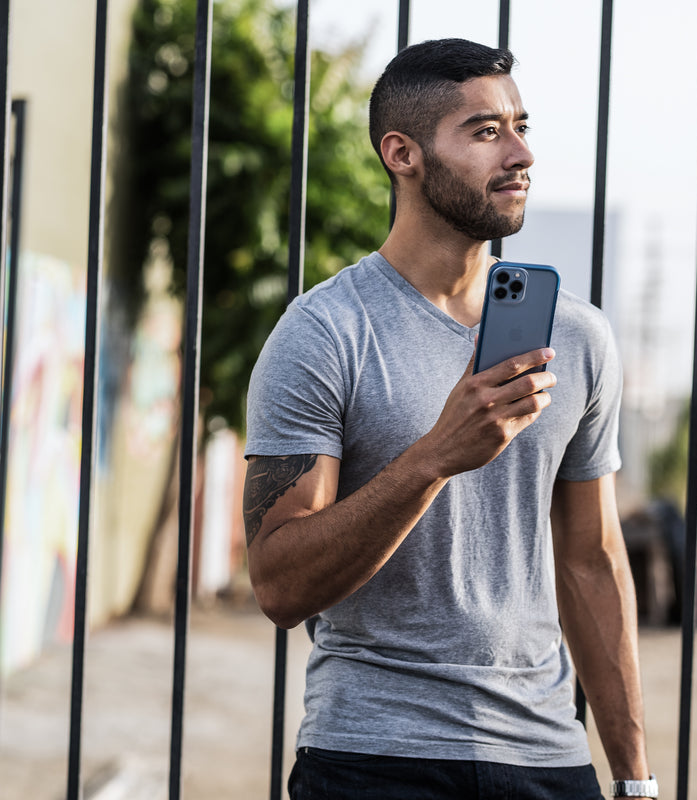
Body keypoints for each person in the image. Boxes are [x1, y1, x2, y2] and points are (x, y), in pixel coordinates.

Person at [243, 38, 655, 800]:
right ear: (402, 153)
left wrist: (634, 779)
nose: (521, 152)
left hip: (545, 757)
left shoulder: (577, 336)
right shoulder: (325, 332)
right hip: (372, 758)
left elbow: (591, 561)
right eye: (485, 131)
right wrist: (434, 456)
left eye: (521, 126)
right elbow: (279, 582)